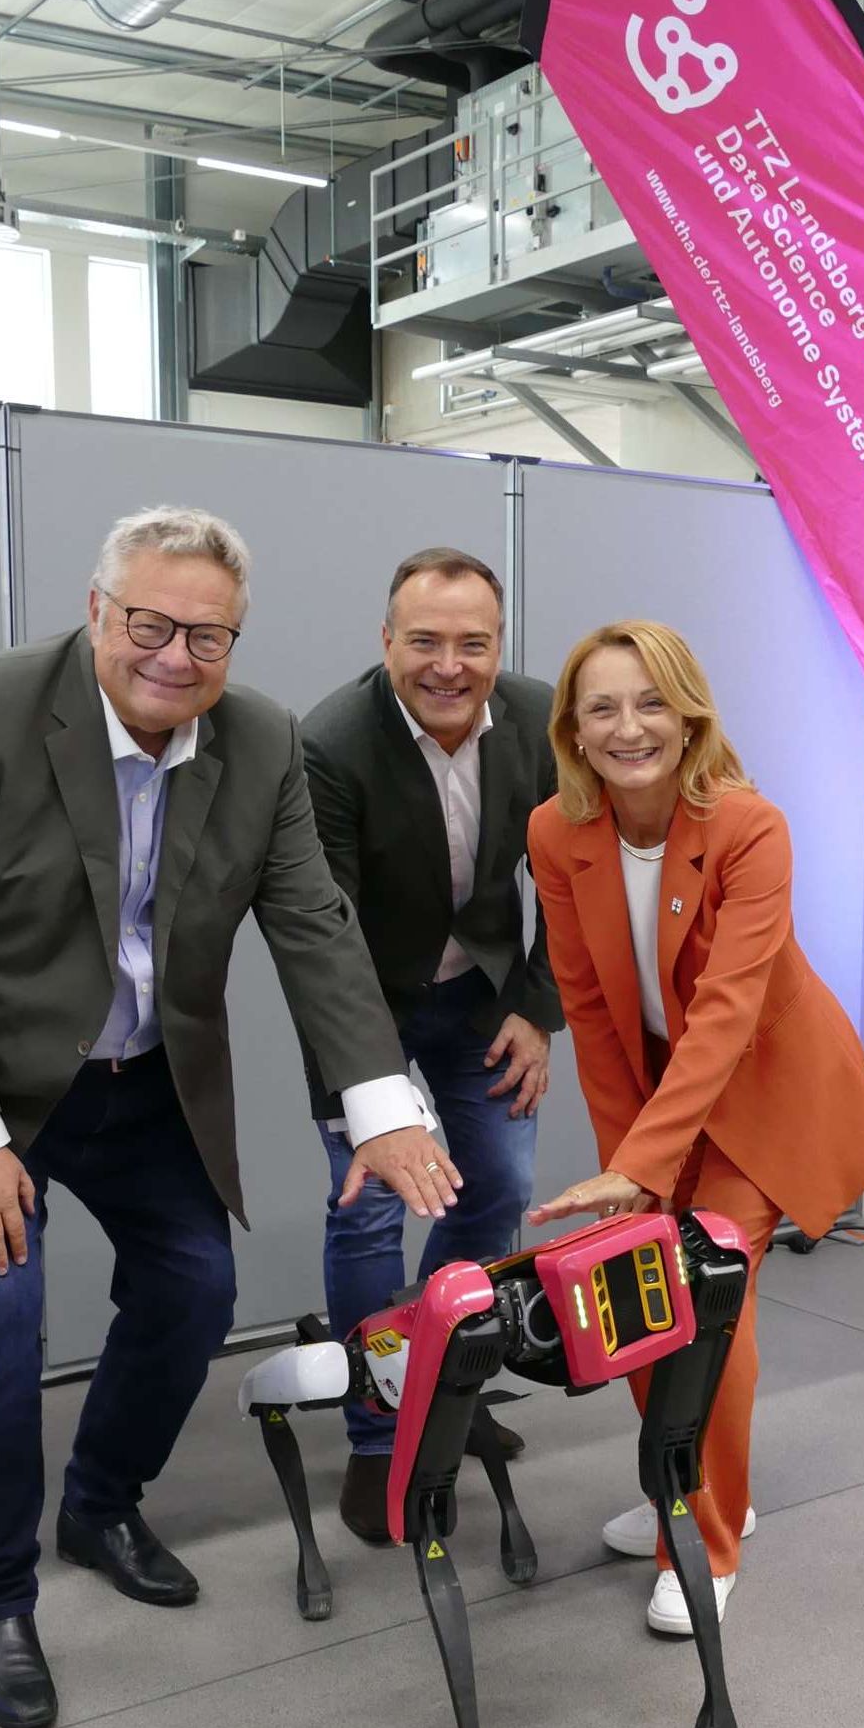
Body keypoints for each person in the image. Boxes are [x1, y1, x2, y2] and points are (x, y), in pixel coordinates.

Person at [0, 506, 458, 1728]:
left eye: (209, 635)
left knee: (189, 1286)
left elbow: (313, 929)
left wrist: (383, 1106)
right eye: (150, 623)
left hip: (137, 1081)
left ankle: (100, 1501)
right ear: (96, 611)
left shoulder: (263, 741)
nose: (176, 655)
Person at [524, 620, 864, 1635]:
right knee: (633, 1288)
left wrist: (649, 1160)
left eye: (651, 701)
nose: (628, 726)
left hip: (760, 1097)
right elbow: (590, 1010)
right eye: (601, 705)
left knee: (704, 1303)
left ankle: (701, 1540)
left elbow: (727, 1012)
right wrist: (626, 1173)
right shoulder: (556, 831)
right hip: (654, 1095)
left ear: (689, 712)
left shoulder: (745, 825)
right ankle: (682, 1488)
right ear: (572, 726)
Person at [301, 548, 563, 1541]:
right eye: (424, 641)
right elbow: (319, 932)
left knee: (494, 1187)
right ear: (385, 642)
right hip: (357, 1004)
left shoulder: (539, 720)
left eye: (472, 642)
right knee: (368, 1211)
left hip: (478, 995)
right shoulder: (329, 743)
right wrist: (375, 1096)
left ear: (498, 645)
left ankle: (443, 1384)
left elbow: (571, 883)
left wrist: (535, 1007)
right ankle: (376, 1439)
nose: (447, 665)